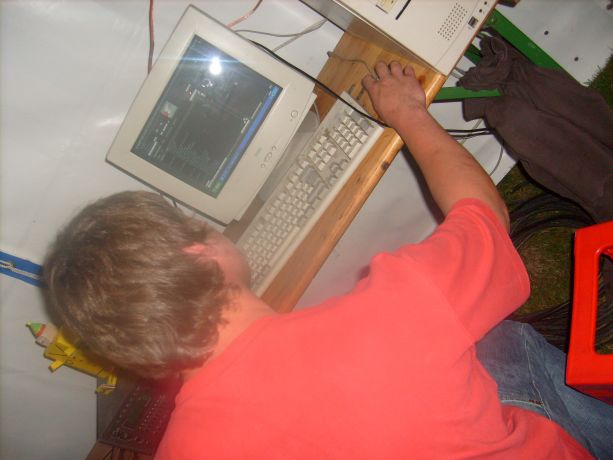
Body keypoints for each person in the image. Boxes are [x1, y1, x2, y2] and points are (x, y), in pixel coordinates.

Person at [43, 62, 612, 459]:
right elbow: (484, 215)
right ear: (199, 252)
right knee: (503, 342)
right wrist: (408, 113)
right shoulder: (395, 311)